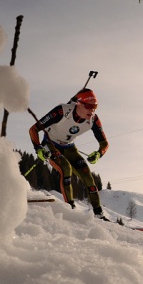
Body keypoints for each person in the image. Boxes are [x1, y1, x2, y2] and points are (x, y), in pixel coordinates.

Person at [29, 88, 110, 220]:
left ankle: (99, 214)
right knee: (66, 168)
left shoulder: (94, 120)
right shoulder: (62, 111)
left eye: (95, 106)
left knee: (87, 176)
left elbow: (104, 143)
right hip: (50, 144)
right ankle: (70, 209)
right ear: (79, 104)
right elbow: (34, 129)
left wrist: (98, 154)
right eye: (89, 106)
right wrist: (38, 149)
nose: (92, 110)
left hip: (69, 147)